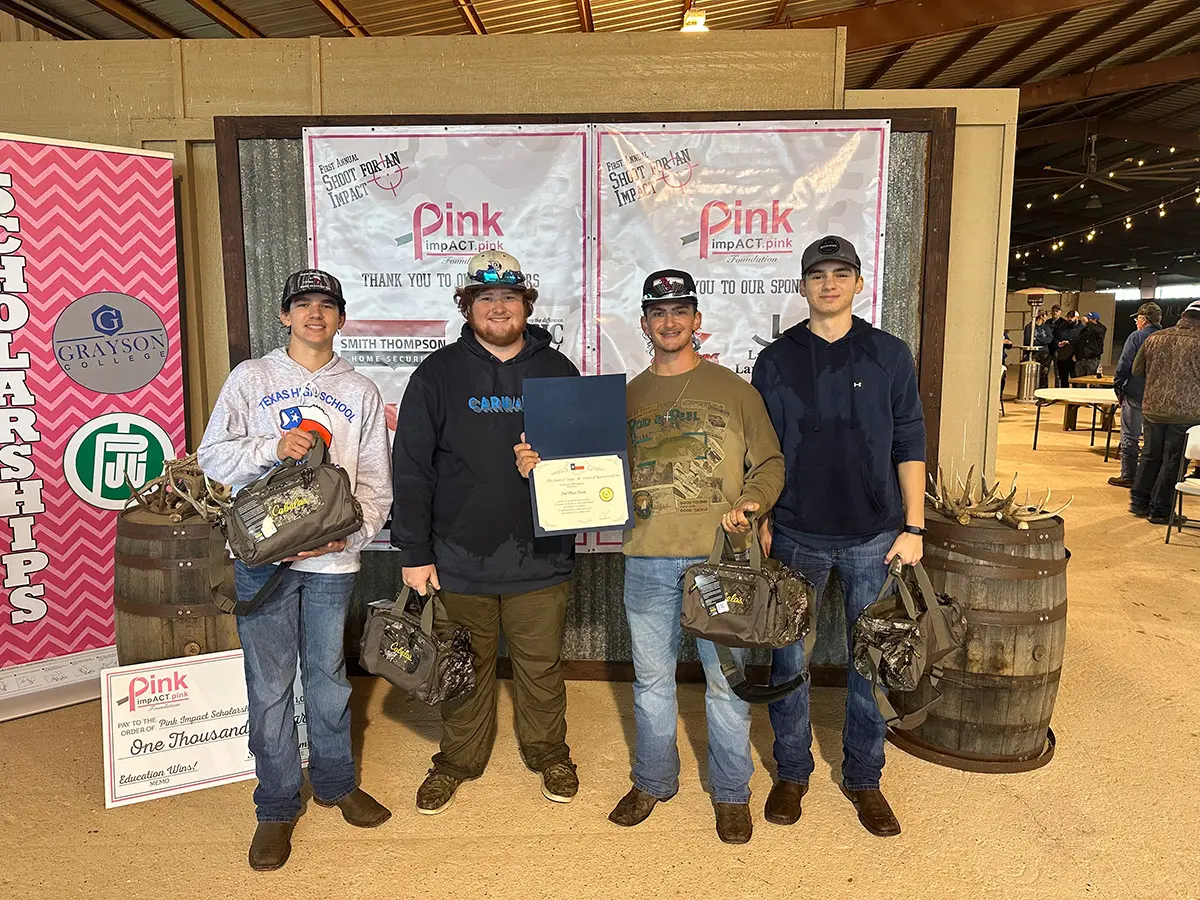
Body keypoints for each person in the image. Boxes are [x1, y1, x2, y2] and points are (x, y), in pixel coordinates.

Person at [517, 269, 784, 844]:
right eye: (658, 312)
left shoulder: (737, 391)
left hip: (721, 561)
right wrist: (543, 467)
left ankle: (732, 791)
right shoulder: (624, 397)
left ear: (697, 320)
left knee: (725, 682)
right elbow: (581, 467)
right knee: (653, 681)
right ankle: (654, 780)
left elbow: (769, 464)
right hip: (646, 559)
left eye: (680, 310)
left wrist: (754, 503)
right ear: (644, 323)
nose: (669, 321)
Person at [198, 269, 393, 871]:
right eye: (303, 305)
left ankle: (336, 783)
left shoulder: (360, 390)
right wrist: (267, 448)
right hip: (262, 561)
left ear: (341, 318)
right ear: (285, 315)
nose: (315, 314)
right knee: (270, 682)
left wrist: (345, 537)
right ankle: (277, 805)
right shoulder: (252, 377)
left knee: (330, 676)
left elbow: (375, 486)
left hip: (332, 562)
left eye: (326, 306)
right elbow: (211, 456)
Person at [391, 250, 581, 815]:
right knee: (462, 670)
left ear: (526, 304)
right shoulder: (437, 374)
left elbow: (590, 460)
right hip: (457, 558)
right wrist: (414, 552)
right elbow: (412, 468)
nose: (499, 307)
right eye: (485, 298)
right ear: (467, 306)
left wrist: (551, 467)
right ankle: (457, 760)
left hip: (541, 558)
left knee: (542, 667)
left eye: (509, 297)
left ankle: (549, 753)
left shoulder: (558, 371)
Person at [751, 236, 927, 839]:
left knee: (870, 664)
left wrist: (914, 526)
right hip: (795, 534)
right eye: (817, 274)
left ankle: (864, 776)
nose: (828, 283)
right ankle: (793, 771)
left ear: (858, 283)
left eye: (841, 273)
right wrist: (765, 521)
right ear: (803, 285)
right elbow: (764, 454)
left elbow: (910, 442)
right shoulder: (774, 361)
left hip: (873, 539)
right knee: (788, 659)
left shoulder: (888, 354)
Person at [1129, 299, 1200, 525]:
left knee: (1150, 455)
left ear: (1183, 315)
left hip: (1152, 408)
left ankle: (1139, 502)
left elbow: (1137, 369)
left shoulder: (1155, 337)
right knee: (1175, 461)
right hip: (1186, 413)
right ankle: (1160, 510)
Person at [1108, 302, 1163, 488]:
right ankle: (1151, 478)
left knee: (1130, 436)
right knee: (1153, 439)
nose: (1135, 322)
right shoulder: (1165, 337)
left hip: (1136, 394)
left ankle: (1129, 475)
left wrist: (1119, 388)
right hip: (1158, 397)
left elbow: (1125, 364)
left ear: (1143, 319)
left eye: (1137, 319)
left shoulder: (1136, 337)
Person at [1053, 309, 1085, 387]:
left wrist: (1069, 342)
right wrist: (1059, 343)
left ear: (1077, 317)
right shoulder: (1062, 327)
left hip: (1074, 357)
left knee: (1075, 380)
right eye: (1068, 317)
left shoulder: (1082, 329)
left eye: (1072, 317)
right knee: (1063, 379)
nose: (1070, 319)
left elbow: (1081, 342)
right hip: (1062, 356)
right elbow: (1054, 337)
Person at [1076, 311, 1108, 377]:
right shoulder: (1084, 330)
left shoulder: (1101, 328)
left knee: (1093, 381)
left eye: (1089, 318)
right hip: (1081, 358)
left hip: (1092, 359)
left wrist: (1088, 323)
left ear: (1095, 320)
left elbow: (1095, 330)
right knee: (1079, 381)